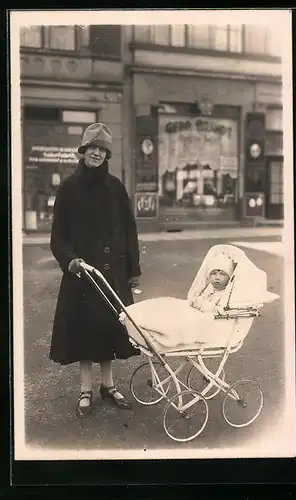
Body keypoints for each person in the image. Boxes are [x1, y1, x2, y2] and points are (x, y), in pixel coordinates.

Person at [49, 122, 141, 418]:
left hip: (112, 274)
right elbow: (58, 235)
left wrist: (132, 268)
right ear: (83, 151)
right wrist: (70, 260)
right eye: (93, 149)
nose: (97, 154)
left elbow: (129, 229)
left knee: (110, 329)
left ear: (106, 154)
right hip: (82, 275)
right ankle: (85, 389)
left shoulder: (115, 187)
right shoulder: (68, 188)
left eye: (102, 150)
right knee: (85, 332)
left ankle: (109, 385)